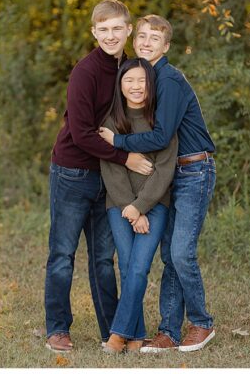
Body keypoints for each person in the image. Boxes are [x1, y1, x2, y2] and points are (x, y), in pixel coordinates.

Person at [98, 14, 216, 353]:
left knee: (179, 252)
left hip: (193, 169)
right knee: (169, 255)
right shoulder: (148, 80)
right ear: (135, 42)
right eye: (143, 37)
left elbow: (163, 136)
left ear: (166, 46)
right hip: (174, 175)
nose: (147, 43)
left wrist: (117, 144)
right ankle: (168, 332)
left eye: (155, 38)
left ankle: (202, 322)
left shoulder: (168, 80)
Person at [43, 0, 155, 355]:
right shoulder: (86, 72)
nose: (110, 35)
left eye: (117, 29)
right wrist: (127, 158)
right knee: (62, 253)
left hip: (107, 176)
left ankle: (113, 331)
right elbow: (80, 132)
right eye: (103, 30)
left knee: (103, 258)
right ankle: (58, 329)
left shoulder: (130, 68)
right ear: (94, 32)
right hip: (73, 172)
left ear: (128, 30)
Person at [99, 58, 176, 353]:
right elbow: (111, 168)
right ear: (120, 85)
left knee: (139, 267)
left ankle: (118, 334)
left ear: (151, 84)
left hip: (155, 204)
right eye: (129, 80)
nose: (135, 86)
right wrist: (129, 208)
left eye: (142, 80)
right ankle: (137, 334)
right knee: (128, 264)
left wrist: (141, 206)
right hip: (118, 205)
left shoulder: (161, 122)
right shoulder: (110, 122)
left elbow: (164, 169)